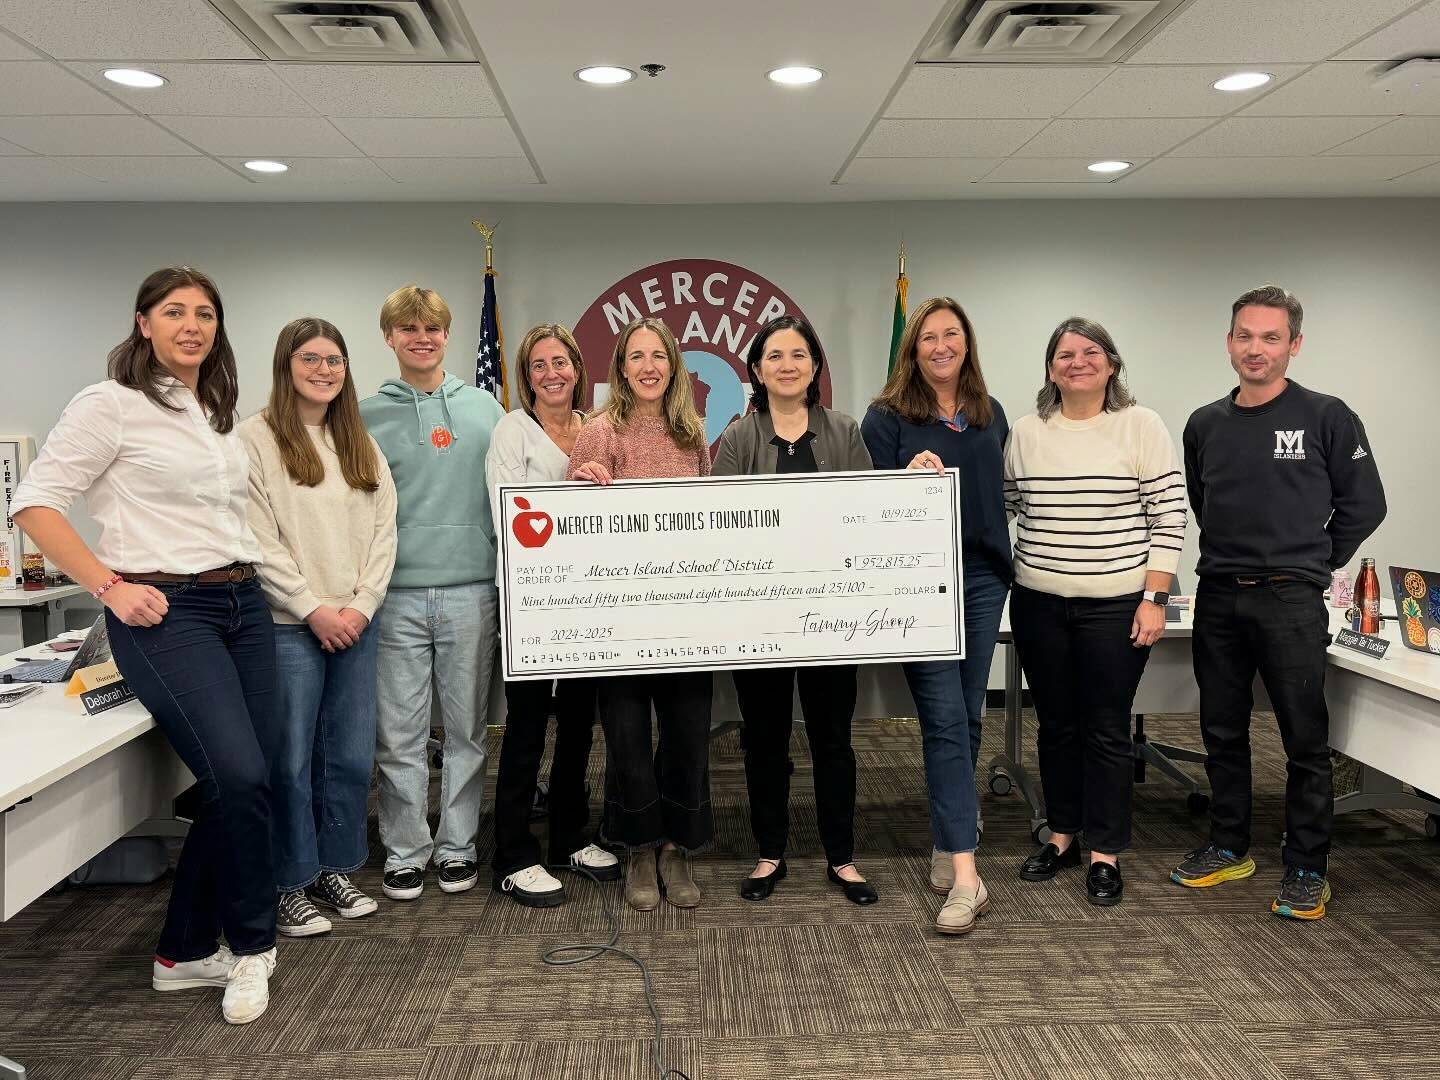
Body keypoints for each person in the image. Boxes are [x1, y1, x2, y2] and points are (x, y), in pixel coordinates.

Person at [11, 267, 278, 1024]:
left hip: (242, 602)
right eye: (175, 312)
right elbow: (34, 502)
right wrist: (107, 584)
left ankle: (182, 954)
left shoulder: (212, 409)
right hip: (167, 609)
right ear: (143, 323)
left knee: (249, 784)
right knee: (241, 778)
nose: (192, 325)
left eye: (205, 314)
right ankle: (253, 946)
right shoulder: (110, 403)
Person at [1174, 285, 1385, 921]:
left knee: (1303, 739)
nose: (1255, 348)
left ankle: (1307, 866)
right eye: (1245, 335)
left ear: (1294, 344)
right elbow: (1201, 503)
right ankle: (1229, 843)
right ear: (1229, 340)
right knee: (1220, 730)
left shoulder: (1327, 416)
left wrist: (1314, 561)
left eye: (1270, 338)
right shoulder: (1204, 423)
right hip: (1218, 595)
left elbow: (1364, 505)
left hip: (1291, 600)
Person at [1003, 317, 1187, 906]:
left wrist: (1155, 598)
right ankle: (1061, 836)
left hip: (1116, 605)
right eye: (1064, 354)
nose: (1076, 362)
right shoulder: (1028, 432)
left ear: (1111, 364)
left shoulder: (1141, 425)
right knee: (1055, 724)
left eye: (1090, 352)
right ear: (1049, 368)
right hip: (1038, 602)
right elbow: (1004, 507)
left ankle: (1105, 851)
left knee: (1106, 728)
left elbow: (1169, 516)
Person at [238, 317, 397, 936]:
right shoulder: (255, 439)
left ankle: (335, 865)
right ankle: (290, 879)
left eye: (335, 359)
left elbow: (386, 529)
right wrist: (312, 607)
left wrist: (361, 604)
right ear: (286, 364)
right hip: (289, 625)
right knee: (291, 760)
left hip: (357, 622)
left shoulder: (357, 439)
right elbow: (257, 539)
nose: (325, 369)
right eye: (312, 358)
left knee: (352, 756)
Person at [712, 315, 877, 906]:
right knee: (765, 740)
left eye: (799, 354)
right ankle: (770, 852)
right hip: (760, 619)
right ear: (757, 369)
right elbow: (720, 528)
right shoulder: (738, 438)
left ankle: (842, 857)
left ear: (814, 366)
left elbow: (867, 515)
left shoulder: (845, 432)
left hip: (830, 617)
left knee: (833, 738)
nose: (788, 364)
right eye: (775, 355)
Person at [861, 296, 1010, 935]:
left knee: (968, 715)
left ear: (967, 343)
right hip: (917, 584)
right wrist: (904, 476)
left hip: (980, 579)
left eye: (952, 335)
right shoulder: (886, 417)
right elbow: (862, 505)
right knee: (944, 719)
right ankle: (968, 877)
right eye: (929, 338)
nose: (941, 346)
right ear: (912, 350)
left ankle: (949, 837)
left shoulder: (988, 413)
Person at [360, 285, 505, 902]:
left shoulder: (486, 411)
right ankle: (404, 849)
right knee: (400, 731)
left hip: (473, 589)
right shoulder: (363, 416)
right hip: (394, 595)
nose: (422, 338)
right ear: (390, 337)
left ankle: (457, 846)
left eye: (433, 329)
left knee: (469, 730)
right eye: (408, 329)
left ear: (447, 336)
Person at [567, 316, 714, 911]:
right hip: (620, 617)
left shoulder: (692, 432)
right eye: (636, 356)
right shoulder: (600, 431)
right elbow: (570, 520)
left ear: (673, 365)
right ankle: (639, 848)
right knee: (627, 737)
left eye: (659, 355)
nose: (648, 366)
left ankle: (679, 847)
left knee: (686, 735)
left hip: (685, 615)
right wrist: (580, 479)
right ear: (620, 368)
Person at [485, 323, 620, 907]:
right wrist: (571, 488)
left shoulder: (595, 430)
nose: (552, 373)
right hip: (534, 604)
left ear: (578, 369)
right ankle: (513, 855)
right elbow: (506, 513)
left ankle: (567, 838)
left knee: (577, 729)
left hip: (587, 602)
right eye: (539, 365)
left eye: (561, 362)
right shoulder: (512, 430)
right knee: (526, 729)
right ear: (526, 376)